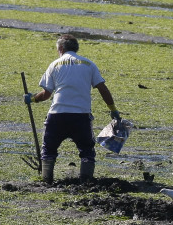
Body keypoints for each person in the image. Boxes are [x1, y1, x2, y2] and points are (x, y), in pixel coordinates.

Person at [24, 34, 121, 183]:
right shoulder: (89, 64)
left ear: (61, 48)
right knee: (87, 151)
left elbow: (46, 94)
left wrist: (32, 98)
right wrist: (113, 109)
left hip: (57, 115)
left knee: (49, 150)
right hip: (81, 116)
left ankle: (46, 180)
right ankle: (86, 181)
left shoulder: (54, 65)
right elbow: (103, 89)